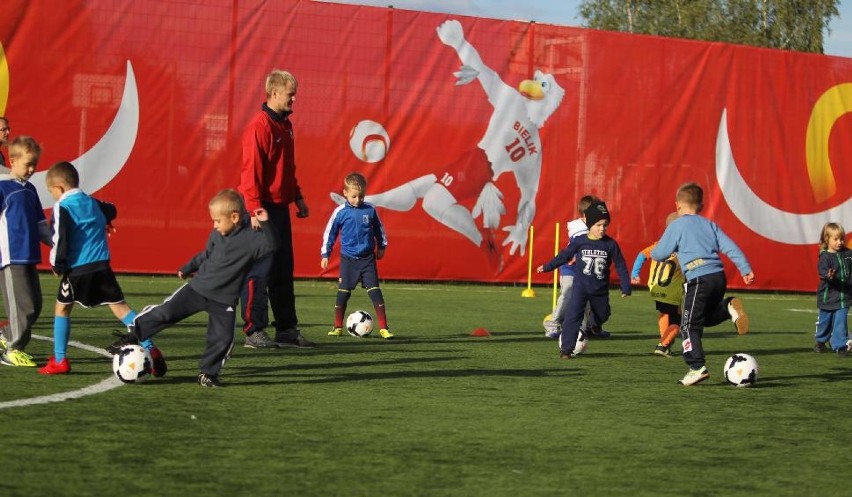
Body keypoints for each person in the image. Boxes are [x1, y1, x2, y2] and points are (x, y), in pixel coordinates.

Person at [336, 20, 566, 275]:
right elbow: (529, 197)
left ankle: (483, 241)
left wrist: (459, 42)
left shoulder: (513, 101)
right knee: (420, 187)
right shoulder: (535, 148)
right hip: (477, 164)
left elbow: (482, 70)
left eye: (541, 82)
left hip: (478, 166)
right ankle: (365, 201)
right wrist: (522, 228)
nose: (533, 81)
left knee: (432, 201)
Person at [110, 189, 278, 387]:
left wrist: (266, 222)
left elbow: (273, 244)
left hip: (224, 300)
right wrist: (188, 267)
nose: (214, 225)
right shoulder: (217, 235)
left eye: (217, 221)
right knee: (165, 312)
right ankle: (133, 335)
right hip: (197, 289)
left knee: (222, 339)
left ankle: (208, 373)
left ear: (234, 217)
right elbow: (206, 255)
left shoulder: (252, 239)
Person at [37, 161, 167, 375]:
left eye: (52, 192)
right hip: (102, 267)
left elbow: (59, 237)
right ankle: (150, 347)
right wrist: (104, 220)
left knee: (62, 308)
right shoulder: (91, 202)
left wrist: (56, 264)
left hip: (78, 268)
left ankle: (60, 360)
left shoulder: (63, 206)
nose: (54, 197)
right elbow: (111, 209)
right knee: (122, 310)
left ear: (59, 188)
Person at [651, 182, 754, 386]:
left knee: (688, 325)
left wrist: (660, 252)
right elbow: (730, 246)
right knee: (703, 319)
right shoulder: (709, 225)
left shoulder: (677, 225)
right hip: (718, 277)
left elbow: (660, 253)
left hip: (698, 280)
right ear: (702, 206)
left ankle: (696, 367)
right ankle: (726, 308)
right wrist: (745, 269)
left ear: (678, 205)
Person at [238, 69, 313, 349]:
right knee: (259, 272)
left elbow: (287, 169)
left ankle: (286, 331)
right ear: (274, 93)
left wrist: (298, 197)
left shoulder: (285, 125)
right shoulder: (260, 127)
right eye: (290, 93)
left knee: (283, 270)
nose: (294, 98)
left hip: (280, 210)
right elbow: (251, 175)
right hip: (262, 211)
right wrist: (255, 210)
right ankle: (254, 332)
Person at [537, 200, 631, 359]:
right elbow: (564, 256)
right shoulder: (580, 241)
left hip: (600, 290)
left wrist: (625, 287)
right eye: (598, 225)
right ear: (588, 223)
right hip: (580, 288)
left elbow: (620, 265)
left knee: (603, 314)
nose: (602, 229)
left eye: (605, 225)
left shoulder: (610, 244)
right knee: (572, 317)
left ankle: (594, 325)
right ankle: (566, 350)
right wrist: (547, 266)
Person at [321, 173, 394, 339]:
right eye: (354, 196)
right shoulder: (340, 212)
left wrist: (382, 246)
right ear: (345, 193)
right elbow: (329, 233)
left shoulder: (370, 209)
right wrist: (325, 254)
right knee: (343, 293)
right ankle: (337, 326)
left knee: (375, 291)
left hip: (368, 259)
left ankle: (384, 328)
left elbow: (379, 229)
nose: (358, 199)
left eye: (361, 196)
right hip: (348, 259)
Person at [0, 136, 52, 367]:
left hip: (30, 257)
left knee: (35, 304)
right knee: (22, 305)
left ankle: (7, 336)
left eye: (35, 164)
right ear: (12, 161)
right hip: (11, 258)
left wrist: (58, 244)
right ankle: (12, 350)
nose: (32, 169)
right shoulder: (3, 188)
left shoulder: (30, 190)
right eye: (27, 164)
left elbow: (42, 225)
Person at [543, 195, 598, 339]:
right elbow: (580, 243)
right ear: (586, 215)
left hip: (587, 269)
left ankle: (585, 329)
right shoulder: (576, 225)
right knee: (567, 294)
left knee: (588, 300)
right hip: (571, 268)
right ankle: (553, 324)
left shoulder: (598, 227)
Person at [631, 212, 684, 357]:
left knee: (664, 313)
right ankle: (663, 345)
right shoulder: (682, 249)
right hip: (672, 291)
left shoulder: (658, 245)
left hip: (655, 289)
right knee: (678, 321)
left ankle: (665, 343)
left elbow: (642, 255)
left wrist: (635, 273)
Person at [814, 222, 851, 356]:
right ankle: (820, 340)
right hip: (828, 296)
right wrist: (828, 275)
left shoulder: (848, 254)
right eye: (835, 239)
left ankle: (840, 346)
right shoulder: (825, 257)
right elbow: (822, 272)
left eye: (841, 239)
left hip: (844, 296)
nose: (839, 242)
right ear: (826, 239)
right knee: (825, 321)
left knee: (841, 321)